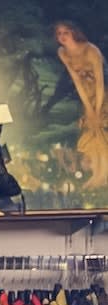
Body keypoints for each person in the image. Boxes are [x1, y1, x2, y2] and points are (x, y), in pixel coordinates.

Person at [54, 20, 108, 189]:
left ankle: (103, 174)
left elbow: (100, 82)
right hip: (86, 95)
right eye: (59, 34)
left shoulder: (91, 50)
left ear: (73, 32)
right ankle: (97, 174)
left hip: (103, 94)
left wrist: (96, 110)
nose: (62, 37)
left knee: (100, 131)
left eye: (65, 33)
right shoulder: (62, 52)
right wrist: (88, 108)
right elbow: (77, 80)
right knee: (90, 131)